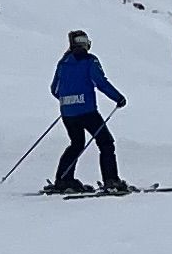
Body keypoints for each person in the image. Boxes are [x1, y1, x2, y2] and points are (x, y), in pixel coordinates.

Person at [48, 30, 128, 193]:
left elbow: (54, 89)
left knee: (76, 144)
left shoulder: (63, 62)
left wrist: (68, 101)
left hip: (68, 113)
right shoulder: (90, 61)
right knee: (106, 143)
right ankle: (111, 180)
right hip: (87, 112)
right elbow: (101, 83)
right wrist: (118, 98)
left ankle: (64, 179)